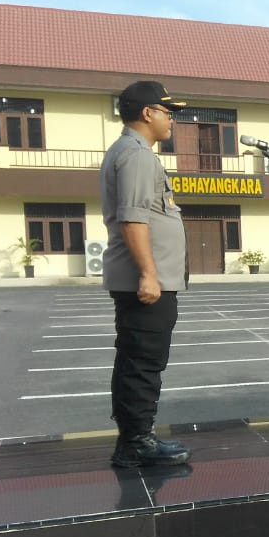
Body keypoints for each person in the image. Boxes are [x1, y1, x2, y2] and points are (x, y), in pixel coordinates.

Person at [100, 80, 192, 468]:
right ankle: (136, 442)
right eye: (168, 112)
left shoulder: (133, 152)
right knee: (143, 363)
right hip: (146, 284)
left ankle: (133, 438)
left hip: (145, 280)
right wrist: (149, 275)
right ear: (147, 113)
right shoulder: (136, 156)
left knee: (138, 360)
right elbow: (134, 220)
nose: (172, 120)